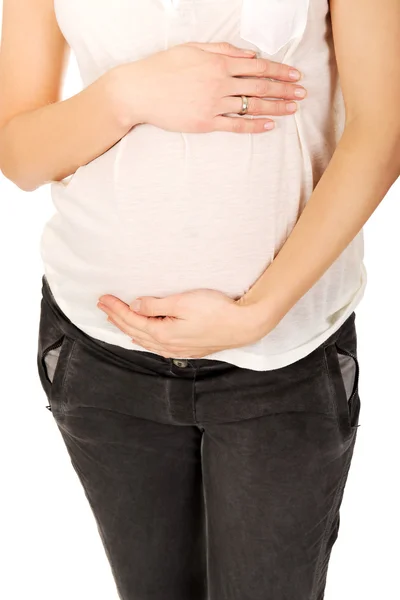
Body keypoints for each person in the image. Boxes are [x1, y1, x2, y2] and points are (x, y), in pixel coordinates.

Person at [0, 0, 399, 598]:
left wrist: (260, 311)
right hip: (102, 352)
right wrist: (125, 95)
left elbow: (384, 128)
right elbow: (19, 155)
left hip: (282, 359)